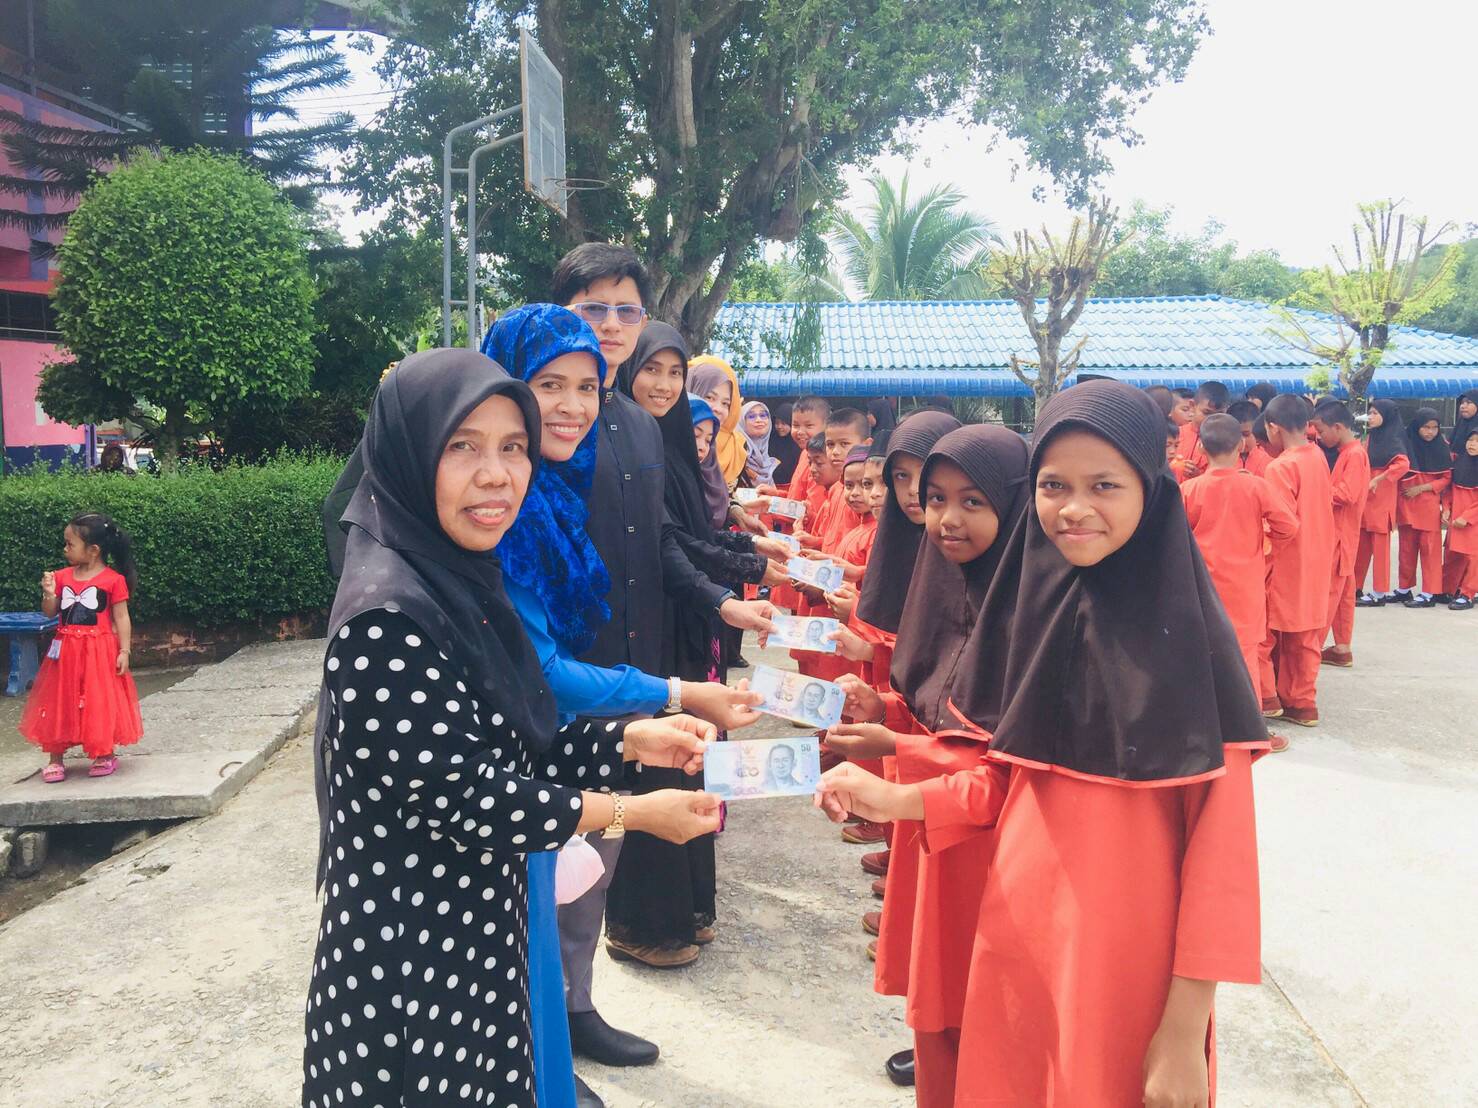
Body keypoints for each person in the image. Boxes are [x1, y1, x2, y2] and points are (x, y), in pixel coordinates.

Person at [816, 379, 1267, 1108]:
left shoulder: (1195, 656)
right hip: (1015, 938)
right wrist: (893, 789)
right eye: (1054, 485)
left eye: (1104, 485)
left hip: (1120, 966)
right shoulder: (1038, 618)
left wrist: (1184, 1032)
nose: (1073, 508)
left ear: (1151, 491)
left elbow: (1223, 870)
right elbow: (1003, 781)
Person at [301, 346, 722, 1108]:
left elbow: (506, 732)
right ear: (408, 454)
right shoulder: (386, 615)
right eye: (463, 447)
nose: (496, 475)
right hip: (410, 960)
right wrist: (632, 813)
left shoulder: (457, 577)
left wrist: (626, 740)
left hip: (472, 930)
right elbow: (468, 795)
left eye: (513, 447)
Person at [547, 245, 774, 1093]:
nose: (611, 326)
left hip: (634, 672)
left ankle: (575, 1005)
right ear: (562, 311)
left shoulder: (638, 426)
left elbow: (663, 543)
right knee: (543, 854)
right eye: (593, 307)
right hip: (554, 674)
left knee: (601, 852)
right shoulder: (533, 415)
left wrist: (719, 604)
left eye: (627, 310)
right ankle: (535, 1033)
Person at [827, 424, 1030, 1104]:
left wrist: (897, 759)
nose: (944, 517)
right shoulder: (944, 579)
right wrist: (884, 711)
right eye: (932, 496)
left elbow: (1003, 762)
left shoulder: (1037, 612)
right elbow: (937, 697)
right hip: (937, 825)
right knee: (939, 994)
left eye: (973, 501)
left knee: (988, 1009)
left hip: (989, 843)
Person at [603, 326, 780, 972]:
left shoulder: (667, 445)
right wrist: (731, 589)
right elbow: (666, 545)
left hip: (680, 625)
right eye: (651, 369)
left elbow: (688, 535)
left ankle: (690, 905)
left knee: (689, 760)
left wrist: (745, 560)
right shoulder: (615, 442)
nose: (663, 385)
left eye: (674, 372)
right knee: (650, 764)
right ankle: (640, 922)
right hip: (635, 627)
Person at [1181, 415, 1298, 724]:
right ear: (1240, 445)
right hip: (1246, 588)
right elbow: (1288, 526)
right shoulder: (1255, 486)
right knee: (1245, 658)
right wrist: (1266, 545)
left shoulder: (1189, 490)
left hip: (1203, 587)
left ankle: (1206, 728)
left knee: (1202, 656)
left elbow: (1176, 538)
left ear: (1201, 447)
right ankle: (1250, 731)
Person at [21, 512, 142, 782]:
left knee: (99, 698)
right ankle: (55, 758)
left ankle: (104, 753)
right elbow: (50, 612)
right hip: (65, 650)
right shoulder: (62, 576)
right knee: (58, 699)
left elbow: (121, 617)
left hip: (99, 650)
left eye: (70, 544)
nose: (65, 549)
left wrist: (124, 651)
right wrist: (49, 594)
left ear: (93, 550)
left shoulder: (113, 580)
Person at [1262, 394, 1337, 726]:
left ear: (1273, 427)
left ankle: (1267, 697)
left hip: (1288, 559)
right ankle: (1303, 703)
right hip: (1317, 553)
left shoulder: (1281, 466)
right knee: (1305, 633)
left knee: (1265, 632)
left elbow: (1279, 523)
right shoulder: (1316, 455)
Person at [1316, 403, 1371, 666]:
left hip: (1339, 534)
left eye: (1321, 430)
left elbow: (1347, 494)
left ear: (1337, 427)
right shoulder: (1349, 452)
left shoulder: (1354, 455)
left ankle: (1310, 648)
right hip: (1344, 533)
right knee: (1343, 593)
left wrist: (1316, 489)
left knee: (1329, 593)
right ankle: (1341, 648)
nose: (1319, 436)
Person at [1354, 399, 1411, 607]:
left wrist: (1379, 478)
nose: (1371, 417)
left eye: (1375, 413)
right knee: (1360, 548)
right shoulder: (1371, 437)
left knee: (1380, 551)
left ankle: (1379, 593)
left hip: (1381, 500)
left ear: (1386, 416)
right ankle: (1355, 587)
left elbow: (1403, 464)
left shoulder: (1394, 439)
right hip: (1366, 499)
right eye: (1370, 413)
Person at [1395, 408, 1452, 607]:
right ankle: (1404, 589)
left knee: (1430, 552)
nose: (1430, 432)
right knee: (1406, 550)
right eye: (1426, 427)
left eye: (1434, 428)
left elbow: (1446, 478)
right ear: (1416, 426)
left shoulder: (1442, 447)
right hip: (1406, 504)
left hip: (1428, 506)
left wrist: (1421, 488)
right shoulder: (1406, 444)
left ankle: (1429, 593)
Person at [686, 355, 747, 487]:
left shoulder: (735, 448)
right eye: (709, 397)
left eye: (725, 403)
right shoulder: (663, 450)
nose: (718, 409)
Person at [1443, 428, 1478, 609]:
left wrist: (1467, 517)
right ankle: (1448, 589)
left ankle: (1468, 594)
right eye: (1470, 440)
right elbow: (1450, 489)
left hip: (1472, 521)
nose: (1473, 444)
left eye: (1477, 441)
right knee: (1452, 554)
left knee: (1473, 557)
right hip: (1455, 518)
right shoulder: (1458, 463)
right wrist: (1446, 508)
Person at [1175, 380, 1230, 482]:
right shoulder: (1175, 434)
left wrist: (1199, 476)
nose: (1212, 419)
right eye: (1206, 412)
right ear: (1192, 405)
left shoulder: (1228, 442)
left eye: (1219, 414)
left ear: (1227, 410)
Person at [739, 401, 780, 487]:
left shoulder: (767, 453)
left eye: (763, 415)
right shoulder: (736, 454)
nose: (759, 420)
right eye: (751, 416)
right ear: (742, 422)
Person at [769, 400, 802, 485]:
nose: (779, 427)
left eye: (783, 423)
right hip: (771, 485)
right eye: (777, 423)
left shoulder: (799, 443)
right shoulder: (771, 441)